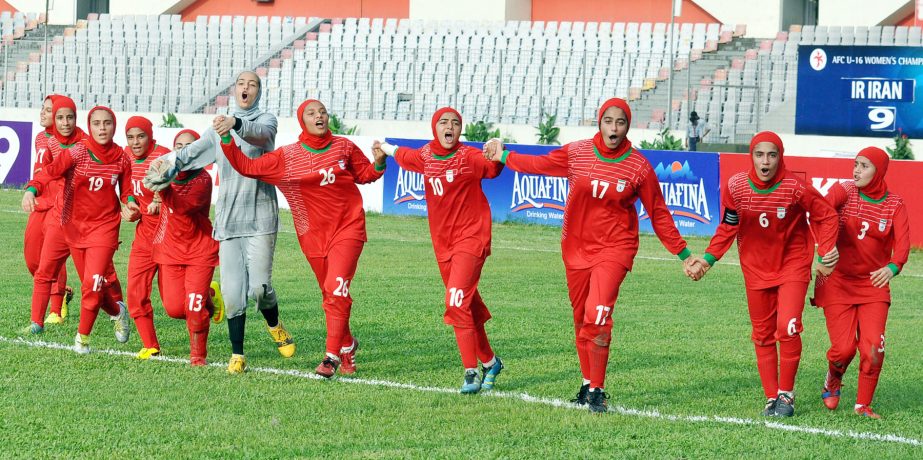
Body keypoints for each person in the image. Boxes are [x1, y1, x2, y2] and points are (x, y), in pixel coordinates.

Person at [484, 98, 695, 412]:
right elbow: (538, 165)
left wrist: (685, 254)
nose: (613, 128)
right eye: (608, 121)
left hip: (615, 249)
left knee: (598, 314)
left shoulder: (638, 166)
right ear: (600, 122)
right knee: (582, 319)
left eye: (620, 122)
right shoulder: (577, 152)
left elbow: (659, 213)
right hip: (576, 248)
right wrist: (502, 154)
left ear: (627, 126)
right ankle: (586, 384)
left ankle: (597, 391)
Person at [219, 99, 386, 377]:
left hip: (349, 228)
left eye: (322, 111)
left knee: (336, 289)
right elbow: (246, 166)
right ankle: (347, 345)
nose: (319, 116)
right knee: (331, 295)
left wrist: (379, 163)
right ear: (302, 120)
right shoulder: (288, 156)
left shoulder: (344, 146)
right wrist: (226, 137)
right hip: (312, 237)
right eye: (311, 113)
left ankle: (331, 357)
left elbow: (366, 174)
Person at [144, 71, 291, 374]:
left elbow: (259, 133)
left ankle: (274, 323)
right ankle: (237, 355)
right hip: (228, 221)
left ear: (259, 91)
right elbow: (192, 154)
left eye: (252, 84)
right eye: (241, 84)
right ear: (234, 90)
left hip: (261, 218)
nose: (246, 88)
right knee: (234, 292)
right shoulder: (218, 128)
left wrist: (234, 123)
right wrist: (167, 164)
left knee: (259, 289)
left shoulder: (266, 120)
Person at [685, 131, 840, 417]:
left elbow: (826, 215)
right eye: (759, 154)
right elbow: (728, 226)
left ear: (780, 157)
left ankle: (787, 394)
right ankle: (771, 398)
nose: (765, 161)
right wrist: (707, 261)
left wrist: (827, 248)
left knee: (787, 327)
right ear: (751, 156)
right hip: (755, 269)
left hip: (793, 265)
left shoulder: (796, 187)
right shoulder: (736, 186)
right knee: (763, 334)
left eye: (772, 155)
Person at [374, 107, 506, 394]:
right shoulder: (425, 156)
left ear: (461, 130)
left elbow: (493, 168)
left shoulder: (468, 157)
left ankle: (470, 371)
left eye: (456, 123)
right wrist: (383, 148)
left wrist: (498, 149)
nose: (450, 127)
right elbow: (402, 154)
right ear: (435, 128)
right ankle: (490, 362)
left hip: (471, 239)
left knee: (456, 301)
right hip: (443, 245)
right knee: (467, 304)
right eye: (444, 122)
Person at [23, 102, 133, 352]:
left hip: (104, 229)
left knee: (93, 283)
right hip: (73, 226)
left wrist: (130, 203)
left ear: (114, 126)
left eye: (107, 123)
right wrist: (31, 189)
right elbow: (49, 172)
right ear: (90, 127)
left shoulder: (122, 158)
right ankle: (117, 311)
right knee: (86, 283)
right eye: (97, 123)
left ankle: (82, 339)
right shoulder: (77, 152)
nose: (102, 128)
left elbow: (126, 192)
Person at [813, 147, 910, 419]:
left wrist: (893, 267)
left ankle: (862, 405)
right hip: (837, 281)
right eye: (855, 164)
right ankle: (833, 375)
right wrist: (825, 248)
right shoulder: (845, 190)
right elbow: (819, 211)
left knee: (873, 348)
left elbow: (903, 246)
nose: (856, 171)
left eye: (864, 166)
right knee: (843, 349)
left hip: (873, 286)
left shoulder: (895, 204)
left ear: (879, 171)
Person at [152, 135, 220, 366]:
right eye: (178, 147)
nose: (183, 152)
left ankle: (198, 356)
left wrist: (162, 190)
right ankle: (207, 298)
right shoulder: (166, 173)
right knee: (173, 309)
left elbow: (184, 208)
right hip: (171, 250)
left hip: (200, 250)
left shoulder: (202, 179)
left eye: (189, 147)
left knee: (193, 307)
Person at [121, 116, 172, 359]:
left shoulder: (164, 157)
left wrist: (160, 201)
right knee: (135, 291)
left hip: (172, 235)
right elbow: (126, 190)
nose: (135, 142)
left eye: (141, 136)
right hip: (144, 235)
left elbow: (182, 189)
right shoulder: (123, 157)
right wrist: (129, 205)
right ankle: (150, 345)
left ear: (150, 136)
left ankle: (207, 297)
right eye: (130, 137)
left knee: (175, 304)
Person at [23, 94, 72, 327]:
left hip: (59, 206)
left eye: (48, 110)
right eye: (42, 108)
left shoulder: (71, 141)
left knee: (52, 258)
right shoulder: (40, 138)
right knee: (33, 259)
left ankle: (56, 309)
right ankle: (63, 291)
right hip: (39, 202)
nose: (42, 113)